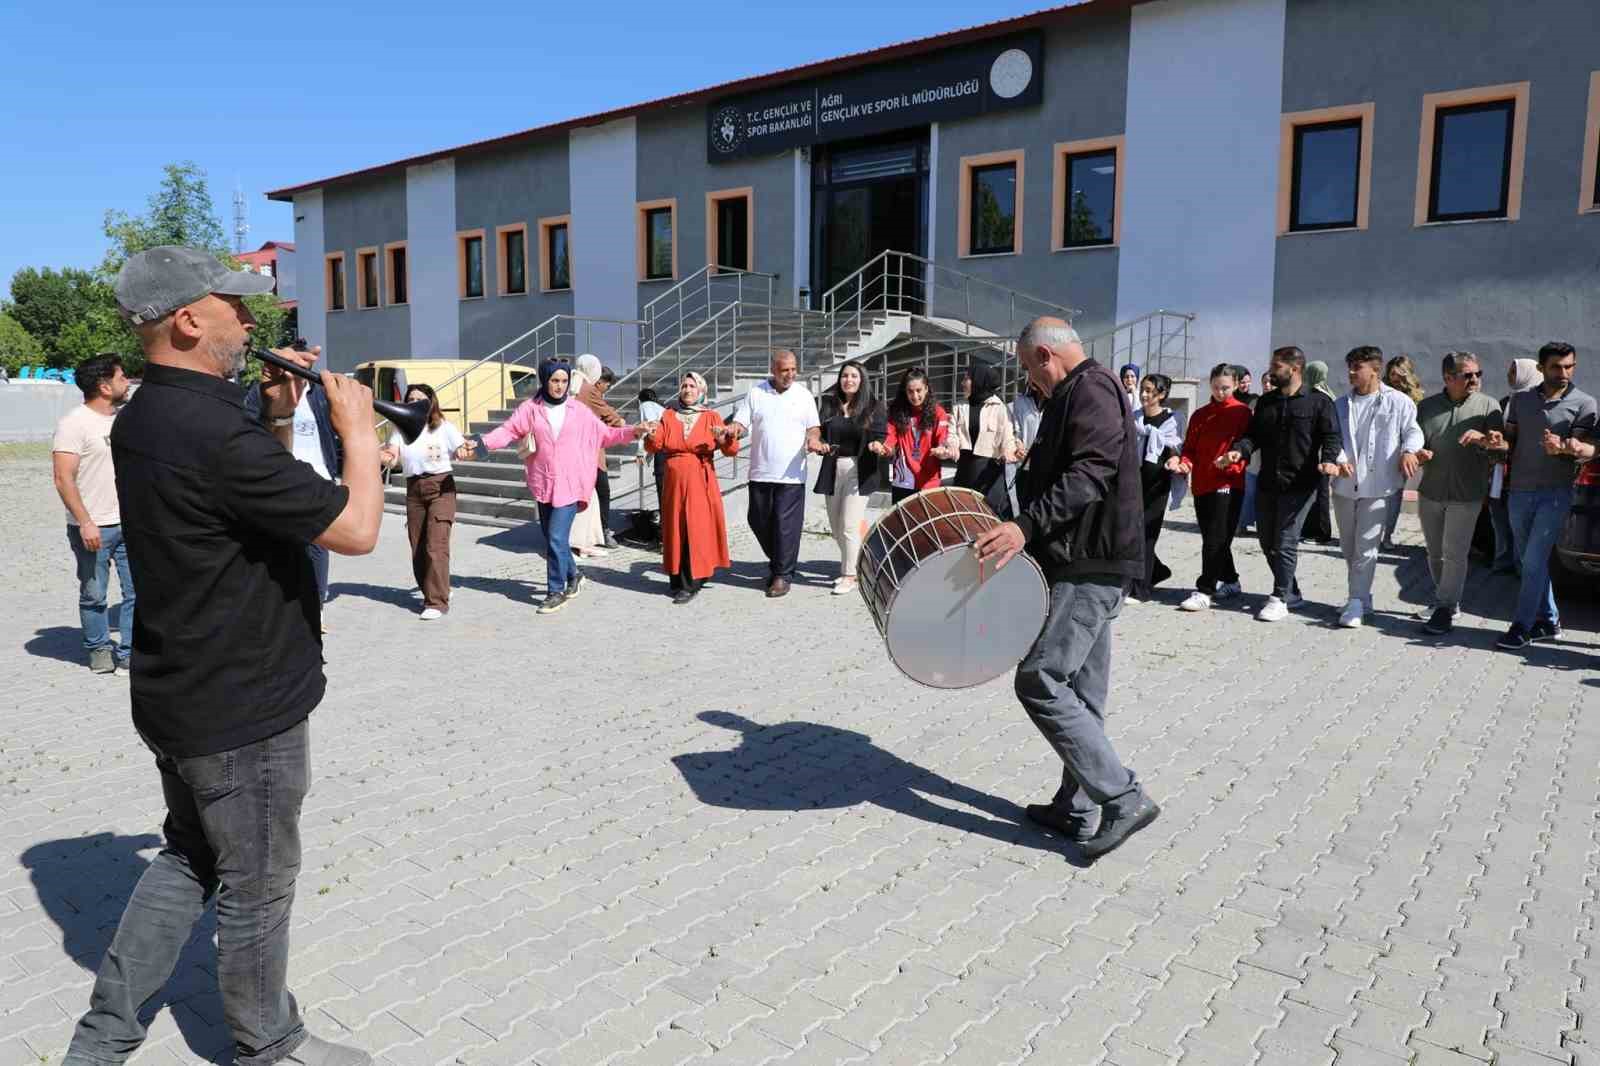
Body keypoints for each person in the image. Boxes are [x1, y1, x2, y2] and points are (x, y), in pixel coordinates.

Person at [63, 245, 383, 1066]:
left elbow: (238, 491)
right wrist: (356, 433)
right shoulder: (208, 429)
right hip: (246, 705)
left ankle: (106, 1035)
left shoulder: (147, 414)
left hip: (181, 690)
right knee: (259, 883)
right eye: (236, 307)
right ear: (187, 319)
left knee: (190, 854)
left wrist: (277, 414)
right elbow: (354, 532)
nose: (252, 322)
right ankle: (268, 1042)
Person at [973, 316, 1158, 861]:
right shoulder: (1082, 391)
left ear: (1046, 356)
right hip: (1087, 560)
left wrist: (1025, 526)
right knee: (1082, 692)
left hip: (1090, 562)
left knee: (1040, 679)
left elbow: (1090, 472)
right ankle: (1075, 806)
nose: (1034, 383)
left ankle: (1123, 797)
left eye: (1032, 371)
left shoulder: (1092, 388)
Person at [465, 359, 647, 614]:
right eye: (554, 381)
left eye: (563, 381)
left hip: (571, 484)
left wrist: (632, 432)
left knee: (556, 537)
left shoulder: (578, 410)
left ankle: (555, 591)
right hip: (544, 483)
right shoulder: (531, 409)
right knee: (553, 538)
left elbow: (604, 434)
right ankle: (574, 575)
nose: (560, 386)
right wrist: (482, 443)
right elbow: (507, 431)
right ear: (545, 381)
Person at [1485, 342, 1596, 650]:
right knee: (1528, 561)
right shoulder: (1520, 401)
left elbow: (1584, 449)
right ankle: (1549, 621)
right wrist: (1497, 441)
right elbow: (1510, 442)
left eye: (1569, 366)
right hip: (1519, 491)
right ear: (1541, 368)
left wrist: (1565, 448)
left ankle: (1523, 625)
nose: (1564, 372)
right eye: (1557, 367)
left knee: (1534, 559)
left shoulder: (1585, 403)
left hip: (1556, 493)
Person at [1218, 346, 1341, 622]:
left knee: (1285, 540)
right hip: (1267, 482)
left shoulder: (1319, 402)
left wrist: (1330, 460)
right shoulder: (1267, 402)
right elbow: (1253, 436)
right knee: (1267, 542)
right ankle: (1293, 591)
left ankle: (1280, 597)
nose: (1271, 372)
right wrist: (1240, 450)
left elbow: (1332, 437)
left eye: (1276, 367)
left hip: (1301, 484)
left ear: (1294, 369)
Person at [243, 343, 342, 626]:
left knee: (320, 548)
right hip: (284, 482)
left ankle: (316, 604)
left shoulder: (320, 396)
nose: (300, 373)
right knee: (288, 546)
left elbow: (333, 435)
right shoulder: (261, 393)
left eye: (304, 367)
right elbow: (252, 426)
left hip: (319, 479)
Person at [1327, 346, 1425, 628]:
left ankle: (1356, 602)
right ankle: (1361, 596)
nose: (1351, 372)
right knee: (1349, 547)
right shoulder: (1340, 405)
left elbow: (1413, 431)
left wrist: (1409, 451)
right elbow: (1332, 439)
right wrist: (1339, 458)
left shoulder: (1399, 402)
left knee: (1367, 547)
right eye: (1349, 366)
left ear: (1375, 369)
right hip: (1345, 486)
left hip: (1379, 486)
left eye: (1357, 367)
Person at [51, 352, 135, 674]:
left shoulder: (123, 420)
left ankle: (129, 653)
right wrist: (85, 522)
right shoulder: (74, 424)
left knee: (137, 592)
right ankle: (99, 649)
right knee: (94, 593)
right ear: (103, 386)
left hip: (129, 523)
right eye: (121, 377)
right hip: (92, 526)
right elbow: (62, 478)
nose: (126, 382)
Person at [1412, 352, 1503, 635]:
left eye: (1478, 373)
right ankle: (1448, 601)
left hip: (1468, 494)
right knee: (1435, 553)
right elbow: (1414, 442)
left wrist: (1487, 441)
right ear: (1448, 378)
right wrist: (1419, 452)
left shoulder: (1489, 406)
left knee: (1455, 554)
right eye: (1468, 375)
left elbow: (1501, 450)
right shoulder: (1426, 407)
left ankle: (1444, 607)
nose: (1475, 379)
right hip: (1431, 492)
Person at [726, 350, 822, 598]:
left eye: (793, 369)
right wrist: (732, 430)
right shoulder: (756, 392)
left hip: (791, 475)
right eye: (784, 370)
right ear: (773, 369)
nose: (790, 374)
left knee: (785, 527)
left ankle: (782, 574)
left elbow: (813, 428)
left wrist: (813, 440)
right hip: (760, 471)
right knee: (757, 520)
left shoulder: (803, 395)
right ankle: (782, 560)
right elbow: (741, 423)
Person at [646, 372, 739, 603]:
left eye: (692, 386)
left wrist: (724, 437)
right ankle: (677, 579)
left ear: (701, 391)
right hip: (674, 480)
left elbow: (730, 450)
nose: (687, 390)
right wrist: (650, 432)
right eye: (684, 386)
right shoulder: (668, 415)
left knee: (696, 528)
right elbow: (655, 445)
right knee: (675, 527)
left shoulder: (711, 416)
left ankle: (692, 580)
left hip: (699, 478)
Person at [378, 383, 463, 620]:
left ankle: (437, 602)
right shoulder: (400, 428)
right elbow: (392, 456)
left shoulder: (443, 427)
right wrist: (381, 455)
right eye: (410, 398)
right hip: (414, 489)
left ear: (430, 402)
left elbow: (461, 448)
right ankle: (436, 588)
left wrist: (468, 450)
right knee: (418, 546)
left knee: (435, 545)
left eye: (419, 398)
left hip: (441, 486)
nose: (414, 402)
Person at [1171, 363, 1251, 611]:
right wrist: (1184, 463)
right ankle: (1231, 581)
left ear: (1236, 385)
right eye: (1216, 387)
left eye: (1226, 388)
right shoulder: (1200, 414)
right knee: (1214, 537)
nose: (1220, 392)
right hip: (1202, 484)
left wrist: (1232, 460)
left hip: (1228, 483)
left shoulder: (1242, 413)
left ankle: (1205, 589)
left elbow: (1245, 445)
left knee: (1215, 538)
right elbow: (1190, 448)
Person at [812, 359, 885, 594]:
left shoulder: (873, 406)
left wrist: (877, 444)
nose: (849, 380)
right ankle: (865, 563)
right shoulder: (830, 405)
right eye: (845, 376)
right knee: (836, 528)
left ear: (861, 379)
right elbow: (819, 433)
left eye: (854, 376)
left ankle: (850, 575)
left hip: (858, 468)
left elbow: (881, 433)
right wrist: (818, 443)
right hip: (833, 467)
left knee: (849, 525)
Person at [1129, 373, 1182, 601]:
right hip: (1134, 484)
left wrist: (1175, 460)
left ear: (1162, 394)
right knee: (1131, 534)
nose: (1144, 394)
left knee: (1147, 536)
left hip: (1157, 486)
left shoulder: (1171, 421)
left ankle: (1141, 590)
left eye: (1150, 391)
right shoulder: (1134, 419)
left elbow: (1175, 449)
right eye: (1143, 389)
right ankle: (1157, 571)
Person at [869, 367, 955, 503]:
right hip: (903, 481)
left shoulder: (938, 412)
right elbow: (890, 439)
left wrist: (942, 450)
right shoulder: (896, 412)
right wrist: (882, 448)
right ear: (905, 391)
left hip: (929, 482)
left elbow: (943, 439)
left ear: (926, 388)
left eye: (919, 390)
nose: (915, 396)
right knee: (901, 524)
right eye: (910, 391)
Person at [1487, 358, 1541, 575]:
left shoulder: (1537, 402)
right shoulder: (1505, 402)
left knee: (1521, 524)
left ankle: (1522, 566)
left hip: (1524, 472)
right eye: (1510, 372)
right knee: (1499, 517)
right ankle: (1502, 560)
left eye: (1513, 372)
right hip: (1501, 472)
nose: (1509, 376)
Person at [950, 355, 1017, 518]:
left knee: (986, 517)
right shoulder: (959, 406)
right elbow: (951, 433)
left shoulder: (1000, 408)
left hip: (988, 472)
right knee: (961, 516)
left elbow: (1008, 437)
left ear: (979, 381)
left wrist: (1009, 452)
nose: (962, 383)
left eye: (966, 379)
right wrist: (951, 445)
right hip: (964, 470)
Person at [574, 354, 623, 550]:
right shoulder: (589, 390)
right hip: (589, 452)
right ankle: (603, 531)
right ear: (598, 378)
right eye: (606, 384)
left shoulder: (573, 386)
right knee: (603, 491)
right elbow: (610, 415)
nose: (607, 388)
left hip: (571, 450)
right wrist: (622, 425)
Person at [622, 386, 668, 545]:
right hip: (669, 450)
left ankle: (664, 537)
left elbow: (648, 427)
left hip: (663, 452)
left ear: (639, 400)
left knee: (663, 493)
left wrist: (641, 451)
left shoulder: (645, 406)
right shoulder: (661, 409)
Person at [1299, 360, 1338, 544]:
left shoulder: (1321, 397)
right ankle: (1310, 530)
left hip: (1321, 455)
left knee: (1320, 495)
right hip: (1316, 453)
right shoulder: (1323, 394)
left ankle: (1321, 533)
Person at [1007, 380, 1046, 515]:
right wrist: (1018, 444)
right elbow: (1015, 429)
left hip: (1046, 467)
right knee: (1025, 507)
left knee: (1043, 509)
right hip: (1025, 465)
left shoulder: (1057, 402)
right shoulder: (1020, 402)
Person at [1232, 364, 1262, 533]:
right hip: (1231, 447)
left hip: (1249, 447)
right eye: (1242, 382)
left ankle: (1244, 521)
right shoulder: (1229, 398)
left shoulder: (1255, 399)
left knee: (1249, 487)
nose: (1246, 386)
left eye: (1248, 382)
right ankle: (1235, 522)